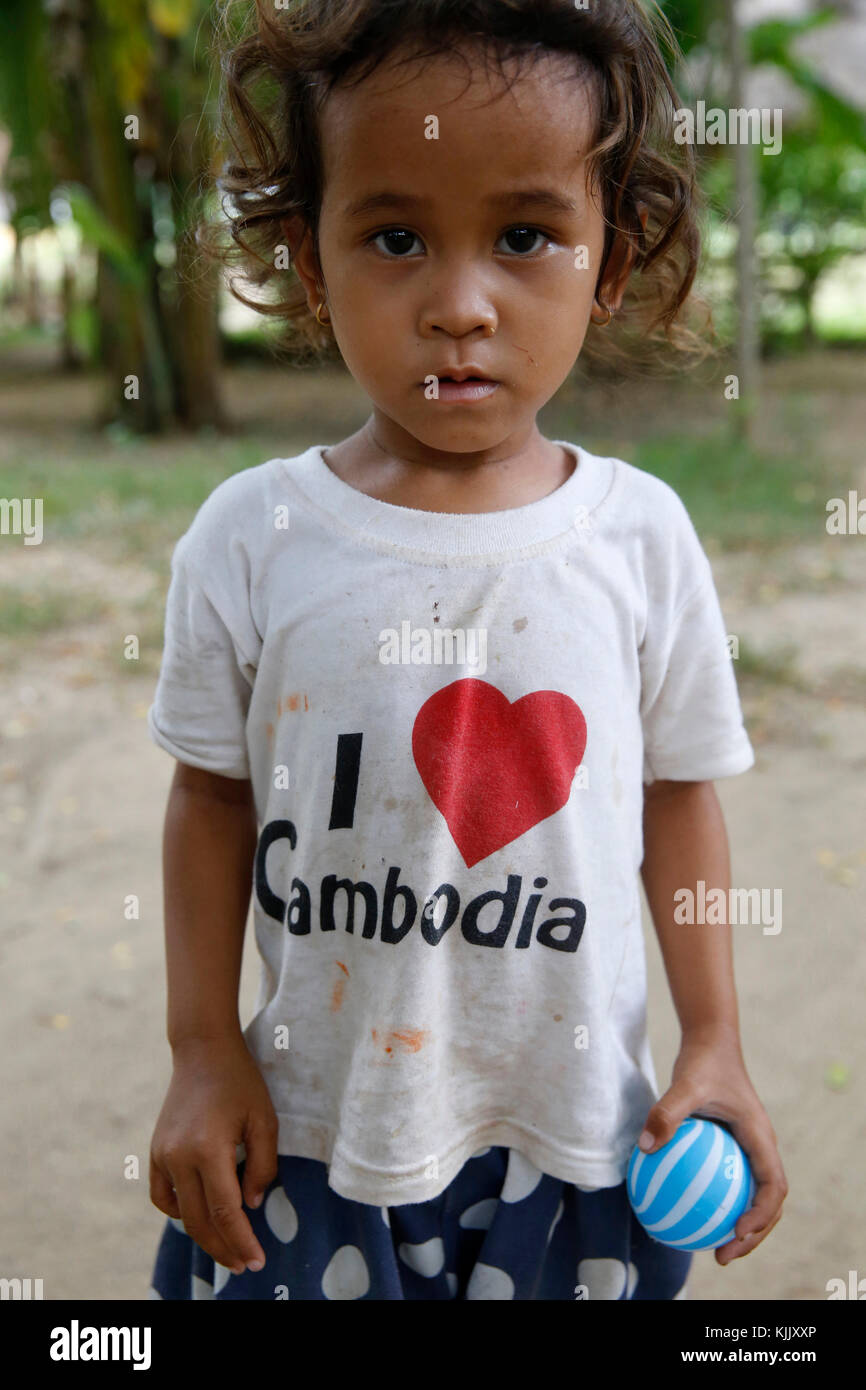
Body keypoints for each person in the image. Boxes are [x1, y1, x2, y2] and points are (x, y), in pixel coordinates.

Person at [146, 0, 787, 1301]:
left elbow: (677, 799)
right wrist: (203, 1045)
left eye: (523, 236)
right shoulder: (253, 535)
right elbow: (209, 799)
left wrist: (713, 1037)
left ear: (607, 265)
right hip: (310, 1139)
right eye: (393, 237)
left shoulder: (638, 539)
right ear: (313, 264)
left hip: (571, 1152)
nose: (458, 304)